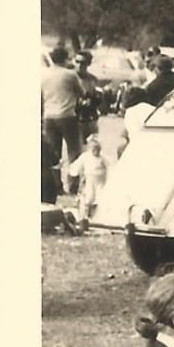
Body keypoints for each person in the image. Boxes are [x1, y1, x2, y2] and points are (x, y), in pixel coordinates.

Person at [41, 45, 84, 195]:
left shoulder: (43, 75)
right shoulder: (69, 75)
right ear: (65, 59)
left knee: (53, 153)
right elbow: (81, 93)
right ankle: (73, 185)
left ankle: (56, 186)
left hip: (49, 115)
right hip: (67, 115)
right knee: (74, 151)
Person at [67, 133, 108, 225]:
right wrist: (73, 172)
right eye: (94, 149)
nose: (96, 152)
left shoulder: (103, 158)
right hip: (89, 179)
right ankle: (84, 216)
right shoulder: (85, 157)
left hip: (101, 180)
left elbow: (110, 166)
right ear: (90, 149)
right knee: (88, 197)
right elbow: (76, 166)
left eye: (98, 149)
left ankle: (99, 216)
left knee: (101, 197)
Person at [73, 50, 101, 141]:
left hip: (90, 118)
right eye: (77, 62)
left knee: (92, 145)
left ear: (88, 64)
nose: (79, 65)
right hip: (74, 118)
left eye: (83, 63)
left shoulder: (93, 79)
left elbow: (98, 99)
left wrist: (92, 99)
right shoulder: (70, 78)